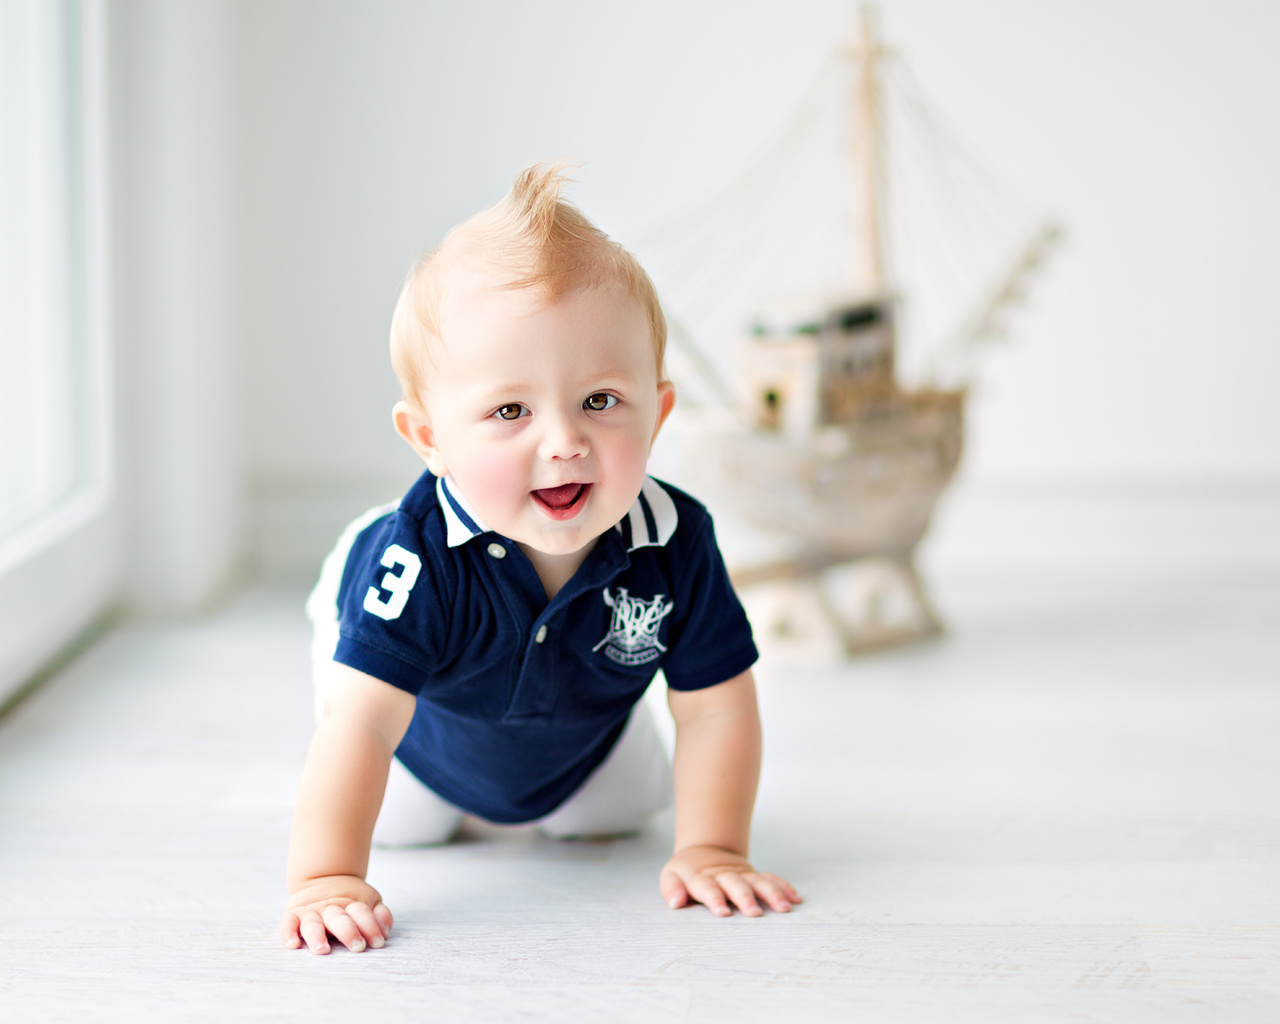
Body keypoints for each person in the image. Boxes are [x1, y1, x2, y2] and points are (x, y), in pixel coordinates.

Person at [279, 164, 802, 955]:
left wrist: (713, 848)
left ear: (657, 414)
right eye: (510, 410)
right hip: (422, 735)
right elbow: (362, 724)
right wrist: (324, 877)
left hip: (580, 729)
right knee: (406, 828)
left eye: (600, 401)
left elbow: (715, 705)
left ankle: (579, 771)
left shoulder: (676, 538)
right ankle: (342, 624)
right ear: (430, 441)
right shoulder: (418, 561)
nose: (564, 442)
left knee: (612, 816)